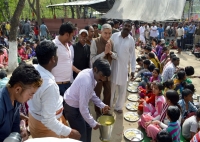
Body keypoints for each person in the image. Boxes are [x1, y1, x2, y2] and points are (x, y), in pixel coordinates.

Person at [28, 40, 81, 139]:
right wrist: (70, 132)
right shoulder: (49, 85)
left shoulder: (34, 69)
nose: (58, 57)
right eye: (57, 55)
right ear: (53, 59)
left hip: (35, 119)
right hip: (47, 128)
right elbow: (48, 120)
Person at [63, 59, 111, 142]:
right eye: (102, 75)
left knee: (88, 128)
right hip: (72, 108)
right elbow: (83, 108)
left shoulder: (91, 74)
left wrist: (102, 105)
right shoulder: (86, 81)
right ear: (95, 69)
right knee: (81, 135)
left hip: (79, 104)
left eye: (105, 77)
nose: (103, 79)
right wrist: (93, 123)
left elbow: (91, 94)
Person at [0, 64, 42, 141]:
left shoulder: (16, 100)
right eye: (30, 94)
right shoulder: (1, 107)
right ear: (18, 89)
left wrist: (18, 135)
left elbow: (15, 125)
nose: (31, 97)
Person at [110, 20, 136, 113]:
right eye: (126, 25)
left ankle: (118, 107)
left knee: (122, 90)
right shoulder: (114, 36)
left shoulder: (131, 40)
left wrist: (133, 69)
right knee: (111, 89)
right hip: (113, 66)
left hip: (124, 68)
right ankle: (109, 107)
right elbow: (109, 48)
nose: (127, 27)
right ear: (122, 26)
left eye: (129, 26)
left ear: (130, 28)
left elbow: (133, 55)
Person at [90, 24, 116, 116]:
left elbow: (116, 56)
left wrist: (110, 53)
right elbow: (92, 59)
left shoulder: (111, 42)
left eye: (109, 33)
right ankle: (97, 111)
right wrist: (104, 53)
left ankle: (106, 110)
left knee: (108, 93)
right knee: (97, 93)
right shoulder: (95, 42)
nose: (107, 35)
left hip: (108, 73)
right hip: (98, 74)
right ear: (101, 32)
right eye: (105, 33)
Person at [51, 22, 75, 96]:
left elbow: (68, 62)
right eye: (72, 35)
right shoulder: (53, 45)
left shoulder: (67, 44)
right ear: (67, 34)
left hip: (68, 83)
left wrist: (78, 71)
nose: (72, 38)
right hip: (58, 85)